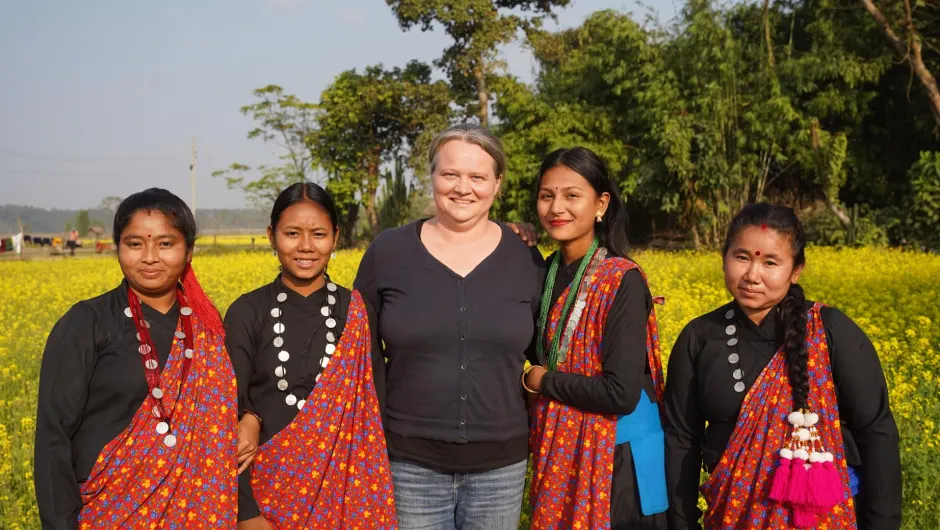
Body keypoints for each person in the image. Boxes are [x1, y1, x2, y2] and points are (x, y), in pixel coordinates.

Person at [354, 124, 545, 530]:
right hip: (408, 465)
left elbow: (545, 352)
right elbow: (359, 355)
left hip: (500, 468)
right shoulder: (388, 251)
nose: (463, 188)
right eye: (450, 174)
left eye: (477, 177)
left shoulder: (526, 259)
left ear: (497, 184)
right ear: (432, 178)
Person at [664, 203, 902, 529]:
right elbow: (681, 439)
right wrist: (682, 522)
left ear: (796, 270)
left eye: (770, 262)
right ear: (724, 258)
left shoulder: (830, 331)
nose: (752, 275)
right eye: (742, 257)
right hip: (732, 518)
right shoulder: (700, 337)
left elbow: (877, 433)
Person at [34, 188, 238, 529]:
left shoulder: (209, 329)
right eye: (134, 244)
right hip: (108, 512)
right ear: (118, 249)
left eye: (166, 243)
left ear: (189, 251)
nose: (149, 257)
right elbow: (53, 437)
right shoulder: (87, 323)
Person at [226, 182, 394, 529]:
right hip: (264, 498)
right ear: (272, 236)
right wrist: (246, 513)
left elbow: (374, 415)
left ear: (335, 236)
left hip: (349, 495)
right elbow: (226, 417)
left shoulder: (357, 312)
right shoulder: (247, 311)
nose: (305, 247)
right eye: (292, 233)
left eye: (318, 234)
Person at [522, 147, 668, 529]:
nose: (557, 207)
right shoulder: (543, 273)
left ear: (601, 203)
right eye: (546, 195)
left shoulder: (622, 279)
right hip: (562, 450)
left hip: (621, 459)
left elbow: (621, 392)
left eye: (572, 195)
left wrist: (541, 381)